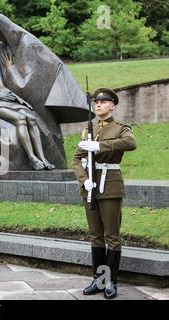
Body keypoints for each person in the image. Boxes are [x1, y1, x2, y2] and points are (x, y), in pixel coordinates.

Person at [72, 88, 137, 299]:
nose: (98, 105)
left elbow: (130, 143)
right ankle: (98, 280)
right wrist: (85, 180)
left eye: (103, 102)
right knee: (95, 236)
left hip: (109, 187)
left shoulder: (120, 128)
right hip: (91, 187)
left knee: (112, 236)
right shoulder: (87, 131)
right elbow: (76, 159)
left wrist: (98, 145)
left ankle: (111, 282)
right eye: (96, 102)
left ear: (112, 105)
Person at [0, 41, 54, 170]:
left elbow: (2, 88)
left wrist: (19, 100)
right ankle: (32, 158)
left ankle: (43, 158)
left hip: (1, 100)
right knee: (20, 119)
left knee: (31, 118)